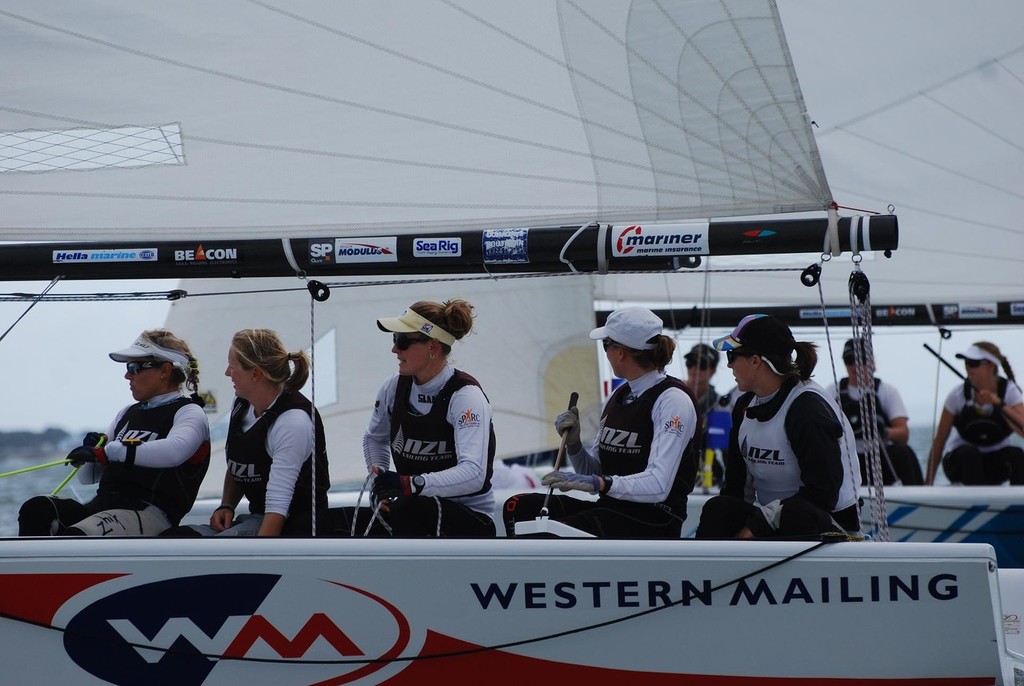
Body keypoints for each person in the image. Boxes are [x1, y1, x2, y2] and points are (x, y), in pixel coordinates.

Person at [502, 306, 699, 538]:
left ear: (620, 353)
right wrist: (574, 444)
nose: (605, 352)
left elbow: (658, 484)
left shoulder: (672, 400)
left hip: (654, 519)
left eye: (606, 344)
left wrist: (601, 484)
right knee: (517, 506)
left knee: (553, 534)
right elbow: (593, 471)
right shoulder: (619, 396)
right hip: (612, 509)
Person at [18, 329, 211, 536]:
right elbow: (88, 478)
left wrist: (110, 452)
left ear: (164, 370)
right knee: (36, 509)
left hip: (150, 513)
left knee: (76, 535)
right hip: (104, 505)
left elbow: (175, 451)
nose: (127, 375)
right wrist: (92, 453)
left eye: (134, 367)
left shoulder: (190, 412)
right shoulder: (127, 413)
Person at [336, 299, 497, 537]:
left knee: (409, 508)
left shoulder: (465, 397)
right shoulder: (393, 387)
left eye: (402, 342)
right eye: (394, 340)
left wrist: (408, 484)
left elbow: (474, 474)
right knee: (333, 522)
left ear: (433, 347)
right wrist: (381, 481)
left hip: (470, 517)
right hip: (413, 507)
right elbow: (374, 438)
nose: (394, 350)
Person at [695, 314, 861, 540]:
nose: (728, 364)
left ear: (755, 361)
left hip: (827, 524)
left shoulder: (807, 410)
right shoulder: (744, 406)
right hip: (773, 523)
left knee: (796, 514)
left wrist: (757, 526)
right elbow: (736, 489)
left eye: (732, 355)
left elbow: (823, 494)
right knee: (718, 509)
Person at [165, 329, 330, 537]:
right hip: (259, 518)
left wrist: (256, 560)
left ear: (255, 373)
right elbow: (242, 462)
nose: (227, 373)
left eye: (232, 367)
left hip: (291, 529)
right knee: (175, 537)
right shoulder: (242, 404)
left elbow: (277, 507)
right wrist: (226, 505)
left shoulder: (292, 422)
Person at [825, 338, 923, 486]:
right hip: (847, 460)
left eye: (860, 360)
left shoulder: (886, 391)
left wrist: (883, 431)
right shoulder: (833, 392)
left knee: (903, 452)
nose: (854, 365)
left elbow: (903, 434)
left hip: (878, 458)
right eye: (849, 360)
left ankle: (918, 498)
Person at [925, 342, 1024, 485]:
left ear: (991, 365)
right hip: (961, 462)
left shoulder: (1009, 391)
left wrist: (999, 405)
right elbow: (939, 441)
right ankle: (975, 504)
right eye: (966, 363)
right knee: (969, 454)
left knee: (1017, 455)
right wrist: (927, 484)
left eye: (973, 363)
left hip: (995, 464)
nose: (968, 368)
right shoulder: (957, 395)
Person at [685, 343, 730, 487]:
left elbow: (725, 450)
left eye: (702, 365)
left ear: (713, 370)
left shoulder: (721, 406)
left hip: (708, 481)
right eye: (690, 363)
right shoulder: (671, 395)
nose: (694, 369)